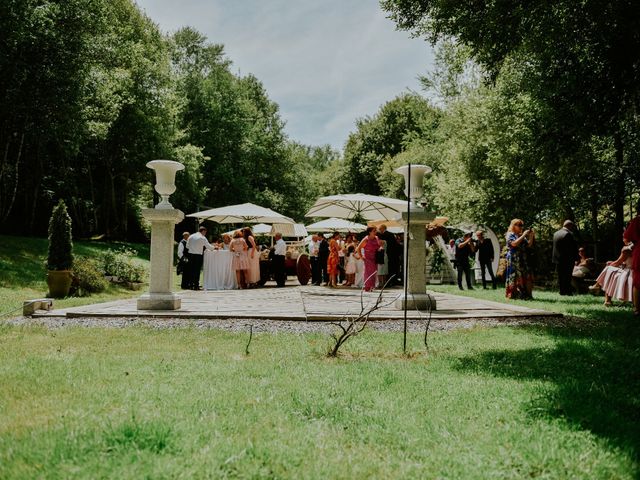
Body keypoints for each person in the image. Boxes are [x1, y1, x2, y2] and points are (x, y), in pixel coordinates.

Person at [505, 219, 535, 299]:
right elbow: (514, 244)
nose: (521, 227)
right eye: (519, 225)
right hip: (513, 258)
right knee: (514, 276)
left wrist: (531, 236)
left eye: (522, 225)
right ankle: (514, 294)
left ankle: (526, 294)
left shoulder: (520, 235)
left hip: (523, 258)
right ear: (513, 225)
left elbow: (528, 245)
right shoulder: (510, 234)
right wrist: (523, 235)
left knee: (526, 275)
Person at [552, 220, 579, 295]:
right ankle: (567, 291)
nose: (572, 228)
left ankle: (562, 291)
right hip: (567, 259)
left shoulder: (556, 233)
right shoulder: (568, 234)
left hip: (557, 259)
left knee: (561, 276)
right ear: (569, 226)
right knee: (567, 276)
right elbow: (571, 248)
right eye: (572, 226)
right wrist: (576, 258)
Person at [623, 200, 640, 315]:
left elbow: (626, 238)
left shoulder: (636, 221)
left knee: (638, 281)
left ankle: (636, 309)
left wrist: (634, 243)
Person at [186, 226, 215, 290]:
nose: (205, 234)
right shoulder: (202, 237)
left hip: (190, 254)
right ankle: (196, 285)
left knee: (191, 270)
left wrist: (192, 248)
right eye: (205, 232)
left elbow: (187, 246)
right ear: (203, 231)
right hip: (198, 255)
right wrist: (214, 247)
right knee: (197, 270)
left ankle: (191, 285)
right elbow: (208, 247)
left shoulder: (191, 236)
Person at [356, 226, 382, 292]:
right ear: (369, 232)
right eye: (374, 231)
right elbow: (358, 248)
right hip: (368, 258)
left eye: (376, 230)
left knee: (374, 272)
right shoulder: (366, 239)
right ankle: (367, 286)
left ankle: (372, 286)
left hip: (375, 257)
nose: (375, 232)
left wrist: (380, 248)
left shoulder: (376, 238)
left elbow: (379, 245)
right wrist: (361, 256)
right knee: (368, 272)